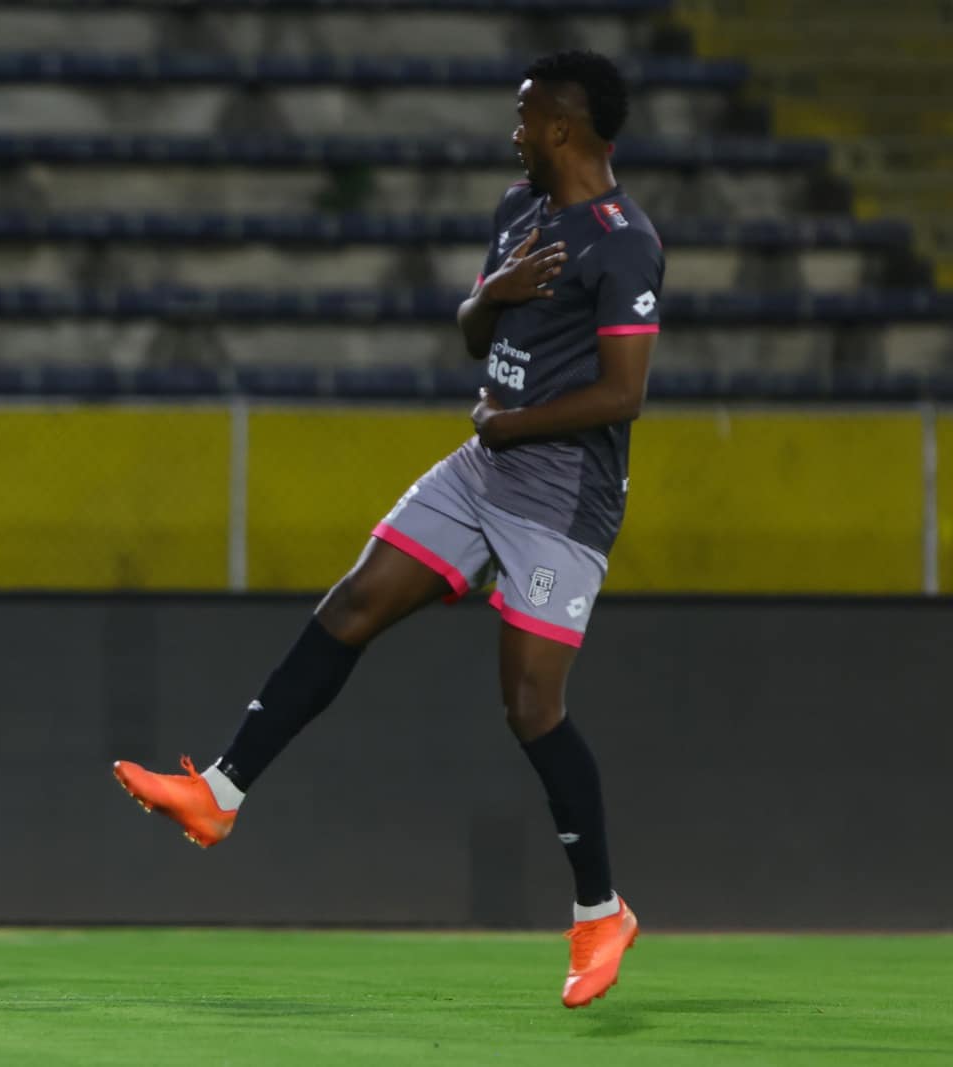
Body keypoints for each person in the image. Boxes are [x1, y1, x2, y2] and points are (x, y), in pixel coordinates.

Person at [111, 50, 661, 1009]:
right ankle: (221, 793)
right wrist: (493, 298)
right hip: (482, 469)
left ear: (565, 130)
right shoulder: (519, 211)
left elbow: (625, 395)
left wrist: (509, 423)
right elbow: (471, 331)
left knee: (530, 707)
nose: (514, 130)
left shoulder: (624, 243)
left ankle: (600, 911)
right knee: (354, 601)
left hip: (561, 498)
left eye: (526, 116)